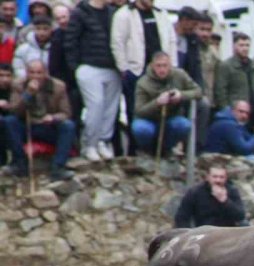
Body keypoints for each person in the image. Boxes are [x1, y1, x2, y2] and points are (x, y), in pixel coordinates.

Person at [110, 0, 175, 155]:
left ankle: (159, 148)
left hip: (160, 72)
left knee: (162, 109)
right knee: (135, 111)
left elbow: (171, 41)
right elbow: (117, 42)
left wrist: (172, 65)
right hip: (136, 71)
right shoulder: (124, 14)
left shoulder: (161, 14)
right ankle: (134, 149)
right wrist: (124, 68)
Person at [0, 59, 75, 180]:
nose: (35, 76)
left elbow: (66, 113)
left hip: (47, 126)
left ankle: (58, 167)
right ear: (27, 73)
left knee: (68, 126)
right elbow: (15, 111)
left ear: (45, 73)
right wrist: (28, 94)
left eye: (39, 73)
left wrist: (53, 117)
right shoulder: (18, 85)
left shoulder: (58, 86)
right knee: (9, 121)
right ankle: (20, 164)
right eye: (32, 72)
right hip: (27, 125)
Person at [65, 0, 120, 162]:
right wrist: (76, 67)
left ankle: (103, 141)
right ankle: (90, 143)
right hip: (88, 66)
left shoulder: (113, 13)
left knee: (110, 108)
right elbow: (70, 41)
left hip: (112, 67)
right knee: (96, 105)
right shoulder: (80, 13)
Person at [131, 50, 200, 154]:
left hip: (171, 118)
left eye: (165, 65)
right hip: (148, 120)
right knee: (140, 128)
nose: (162, 69)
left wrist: (181, 95)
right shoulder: (143, 83)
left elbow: (198, 91)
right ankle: (147, 151)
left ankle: (167, 149)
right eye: (158, 66)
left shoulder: (179, 74)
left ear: (170, 65)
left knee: (184, 125)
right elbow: (139, 111)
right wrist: (157, 102)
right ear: (153, 66)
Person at [214, 32, 254, 130]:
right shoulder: (226, 66)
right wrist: (227, 112)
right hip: (236, 114)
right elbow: (221, 91)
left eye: (247, 45)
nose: (245, 48)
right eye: (241, 45)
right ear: (234, 46)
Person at [174, 164, 247, 227]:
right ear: (208, 177)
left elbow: (240, 216)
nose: (218, 180)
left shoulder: (231, 190)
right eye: (215, 177)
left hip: (227, 232)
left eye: (221, 177)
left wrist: (225, 201)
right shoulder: (195, 192)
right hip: (204, 231)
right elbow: (181, 217)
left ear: (226, 178)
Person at [205, 99, 254, 164]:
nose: (244, 116)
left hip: (223, 158)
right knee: (253, 159)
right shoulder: (228, 125)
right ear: (232, 110)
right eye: (241, 111)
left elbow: (247, 139)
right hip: (216, 161)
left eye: (247, 113)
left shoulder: (233, 122)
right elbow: (244, 149)